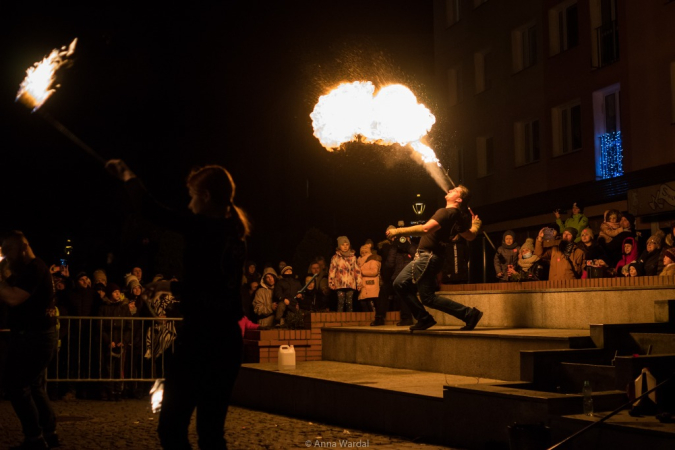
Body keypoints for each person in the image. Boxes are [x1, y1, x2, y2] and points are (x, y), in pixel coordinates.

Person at [107, 159, 249, 449]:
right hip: (227, 341)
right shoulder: (234, 233)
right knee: (211, 433)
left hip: (201, 339)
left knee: (171, 427)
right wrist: (167, 285)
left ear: (206, 196)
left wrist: (127, 175)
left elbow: (152, 210)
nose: (190, 203)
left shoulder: (203, 227)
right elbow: (211, 282)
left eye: (193, 195)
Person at [387, 186, 483, 331]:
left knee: (400, 284)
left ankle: (425, 318)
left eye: (455, 190)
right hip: (434, 258)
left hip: (427, 257)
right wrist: (475, 225)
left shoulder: (445, 212)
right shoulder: (456, 217)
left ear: (459, 199)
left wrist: (398, 231)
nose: (450, 189)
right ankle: (468, 314)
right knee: (426, 297)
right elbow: (470, 236)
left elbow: (425, 229)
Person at [0, 231, 60, 449]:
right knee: (34, 386)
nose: (6, 255)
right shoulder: (31, 269)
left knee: (16, 385)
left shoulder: (35, 268)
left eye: (9, 250)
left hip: (35, 337)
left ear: (23, 248)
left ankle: (34, 437)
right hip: (38, 335)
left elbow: (14, 297)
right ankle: (49, 433)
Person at [328, 236, 361, 313]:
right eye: (343, 245)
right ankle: (340, 320)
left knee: (349, 302)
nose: (345, 246)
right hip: (339, 284)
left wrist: (359, 283)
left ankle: (349, 320)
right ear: (339, 246)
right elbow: (332, 270)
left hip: (350, 283)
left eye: (347, 244)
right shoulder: (335, 258)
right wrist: (331, 282)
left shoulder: (353, 257)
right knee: (340, 302)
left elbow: (357, 271)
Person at [357, 244, 380, 312]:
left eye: (365, 252)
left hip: (371, 285)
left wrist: (361, 271)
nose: (364, 254)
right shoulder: (359, 261)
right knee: (363, 304)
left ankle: (374, 318)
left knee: (371, 304)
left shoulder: (373, 260)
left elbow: (374, 271)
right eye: (362, 252)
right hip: (363, 286)